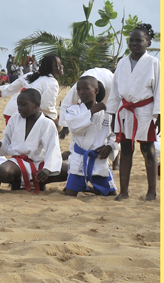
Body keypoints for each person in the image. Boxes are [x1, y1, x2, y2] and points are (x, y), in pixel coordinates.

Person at [106, 23, 160, 202]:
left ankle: (151, 191)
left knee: (148, 150)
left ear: (148, 42)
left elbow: (159, 89)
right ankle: (124, 191)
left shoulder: (153, 62)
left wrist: (158, 114)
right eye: (132, 40)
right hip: (125, 111)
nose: (134, 43)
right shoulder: (122, 62)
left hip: (145, 110)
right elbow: (114, 90)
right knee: (126, 149)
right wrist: (112, 112)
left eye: (139, 40)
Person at [0, 89, 66, 193]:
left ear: (36, 105)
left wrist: (47, 169)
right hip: (18, 163)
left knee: (70, 171)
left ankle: (41, 182)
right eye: (18, 105)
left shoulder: (47, 123)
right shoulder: (14, 119)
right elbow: (6, 141)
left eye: (23, 105)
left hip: (39, 163)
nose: (19, 109)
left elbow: (53, 148)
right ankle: (15, 182)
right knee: (2, 172)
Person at [63, 76, 118, 197]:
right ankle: (84, 186)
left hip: (98, 159)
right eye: (79, 89)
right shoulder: (73, 110)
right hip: (79, 159)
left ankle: (93, 188)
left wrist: (110, 146)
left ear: (96, 91)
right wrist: (92, 111)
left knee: (112, 194)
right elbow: (75, 128)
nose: (82, 92)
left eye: (86, 88)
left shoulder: (107, 113)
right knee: (69, 194)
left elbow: (115, 134)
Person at [0, 54, 63, 126]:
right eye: (58, 65)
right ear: (50, 68)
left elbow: (14, 86)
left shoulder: (31, 74)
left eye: (61, 64)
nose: (61, 67)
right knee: (55, 125)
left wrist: (3, 92)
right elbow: (46, 107)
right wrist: (55, 117)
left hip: (11, 111)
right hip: (24, 114)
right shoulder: (52, 82)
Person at [58, 67, 114, 139]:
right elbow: (67, 102)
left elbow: (115, 107)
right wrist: (65, 125)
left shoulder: (112, 86)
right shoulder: (81, 85)